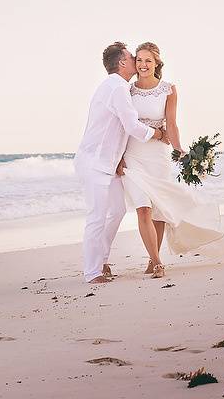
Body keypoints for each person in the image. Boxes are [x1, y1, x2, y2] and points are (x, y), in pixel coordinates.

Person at [120, 42, 224, 279]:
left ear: (157, 63)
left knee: (158, 209)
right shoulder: (127, 90)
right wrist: (118, 156)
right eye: (139, 60)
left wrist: (179, 149)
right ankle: (158, 262)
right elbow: (121, 126)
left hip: (157, 156)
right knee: (142, 207)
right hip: (133, 154)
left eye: (148, 60)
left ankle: (152, 258)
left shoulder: (168, 89)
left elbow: (171, 123)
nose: (143, 65)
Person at [74, 42, 169, 284]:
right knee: (97, 216)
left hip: (109, 163)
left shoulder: (117, 87)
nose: (137, 59)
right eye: (132, 57)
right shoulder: (117, 88)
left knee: (116, 211)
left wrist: (121, 157)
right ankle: (93, 272)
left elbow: (120, 129)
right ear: (122, 63)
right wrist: (157, 134)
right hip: (94, 163)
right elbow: (131, 125)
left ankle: (102, 261)